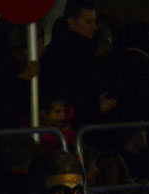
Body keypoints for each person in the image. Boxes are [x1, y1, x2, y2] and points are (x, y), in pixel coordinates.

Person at [41, 1, 117, 129]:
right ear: (72, 23)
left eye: (94, 22)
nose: (94, 27)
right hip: (73, 128)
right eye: (89, 22)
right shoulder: (65, 54)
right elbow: (70, 93)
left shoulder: (84, 51)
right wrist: (95, 107)